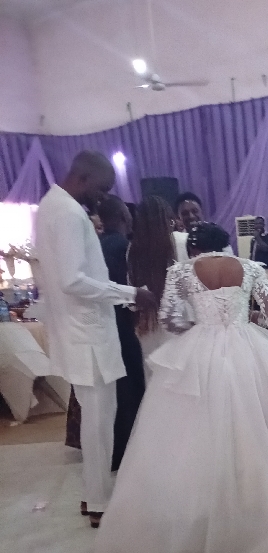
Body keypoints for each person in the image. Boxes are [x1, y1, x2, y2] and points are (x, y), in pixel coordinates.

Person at [95, 222, 268, 553]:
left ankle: (203, 518)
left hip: (201, 349)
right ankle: (266, 513)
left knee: (191, 437)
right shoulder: (250, 268)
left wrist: (198, 327)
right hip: (247, 347)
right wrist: (247, 320)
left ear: (193, 248)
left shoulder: (181, 272)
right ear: (226, 243)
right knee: (265, 427)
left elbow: (169, 319)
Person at [34, 151, 156, 527]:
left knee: (96, 417)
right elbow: (73, 280)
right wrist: (130, 293)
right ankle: (100, 501)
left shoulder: (50, 206)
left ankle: (93, 493)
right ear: (82, 178)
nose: (101, 199)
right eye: (101, 190)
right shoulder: (69, 213)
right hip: (87, 332)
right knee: (100, 419)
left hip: (77, 328)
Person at [98, 195, 146, 471]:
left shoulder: (96, 244)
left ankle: (112, 452)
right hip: (122, 323)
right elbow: (130, 287)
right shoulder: (124, 247)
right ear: (124, 217)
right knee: (130, 387)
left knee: (112, 391)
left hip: (102, 324)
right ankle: (128, 453)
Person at [128, 196, 176, 372]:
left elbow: (132, 295)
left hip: (146, 323)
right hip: (175, 320)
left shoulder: (132, 250)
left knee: (154, 375)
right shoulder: (175, 244)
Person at [172, 191, 204, 261]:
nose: (191, 216)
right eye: (185, 213)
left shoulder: (215, 236)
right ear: (178, 217)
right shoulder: (176, 242)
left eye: (195, 211)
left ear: (202, 212)